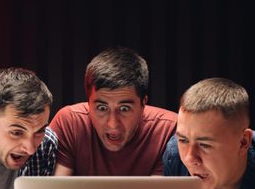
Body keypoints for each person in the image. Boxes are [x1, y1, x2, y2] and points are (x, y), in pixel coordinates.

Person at [49, 46, 176, 175]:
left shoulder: (169, 129)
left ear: (143, 104)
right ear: (88, 103)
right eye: (102, 108)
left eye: (124, 109)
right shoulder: (69, 123)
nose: (113, 123)